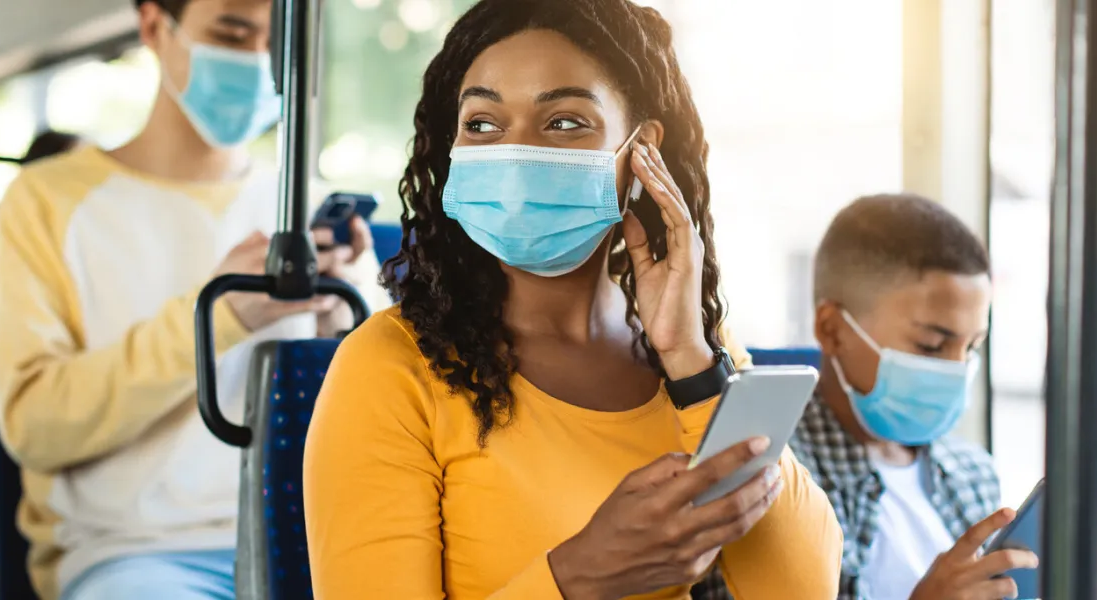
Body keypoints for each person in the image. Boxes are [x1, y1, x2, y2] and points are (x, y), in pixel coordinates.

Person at [303, 1, 843, 598]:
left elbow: (799, 589)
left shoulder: (695, 348)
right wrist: (580, 575)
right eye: (482, 124)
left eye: (564, 122)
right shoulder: (385, 369)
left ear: (643, 152)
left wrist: (692, 362)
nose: (516, 156)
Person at [0, 0, 389, 598]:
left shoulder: (308, 205)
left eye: (275, 46)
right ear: (154, 27)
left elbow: (395, 415)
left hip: (317, 540)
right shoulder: (46, 203)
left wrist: (339, 318)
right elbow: (33, 424)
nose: (256, 61)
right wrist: (221, 317)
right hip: (135, 555)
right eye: (231, 32)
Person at [698, 194, 1037, 600]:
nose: (958, 369)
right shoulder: (766, 473)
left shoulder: (973, 474)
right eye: (931, 345)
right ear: (832, 330)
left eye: (972, 347)